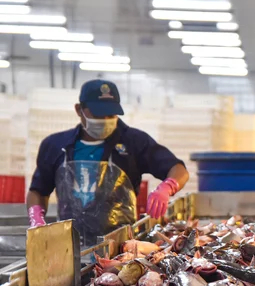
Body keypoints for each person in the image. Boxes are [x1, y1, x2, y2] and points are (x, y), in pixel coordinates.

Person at [26, 79, 189, 245]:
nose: (105, 120)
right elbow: (38, 191)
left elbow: (178, 169)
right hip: (68, 245)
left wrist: (167, 187)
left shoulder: (134, 141)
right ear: (79, 110)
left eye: (111, 115)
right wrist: (36, 218)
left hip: (120, 247)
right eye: (98, 114)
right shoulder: (55, 145)